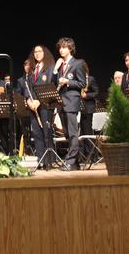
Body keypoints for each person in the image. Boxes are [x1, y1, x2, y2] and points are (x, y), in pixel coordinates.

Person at [53, 37, 84, 170]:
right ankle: (74, 162)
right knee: (66, 133)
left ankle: (71, 161)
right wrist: (55, 69)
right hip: (61, 102)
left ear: (70, 48)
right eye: (60, 47)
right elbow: (54, 81)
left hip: (71, 101)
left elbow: (82, 83)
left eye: (64, 47)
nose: (61, 49)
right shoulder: (60, 65)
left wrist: (68, 82)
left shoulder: (78, 63)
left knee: (72, 133)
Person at [25, 45, 56, 167]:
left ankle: (50, 160)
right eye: (35, 52)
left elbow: (49, 86)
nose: (37, 54)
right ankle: (41, 160)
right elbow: (28, 88)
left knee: (46, 132)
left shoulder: (50, 67)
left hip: (45, 105)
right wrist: (29, 100)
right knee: (37, 133)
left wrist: (39, 100)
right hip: (33, 106)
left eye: (39, 51)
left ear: (45, 53)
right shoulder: (32, 69)